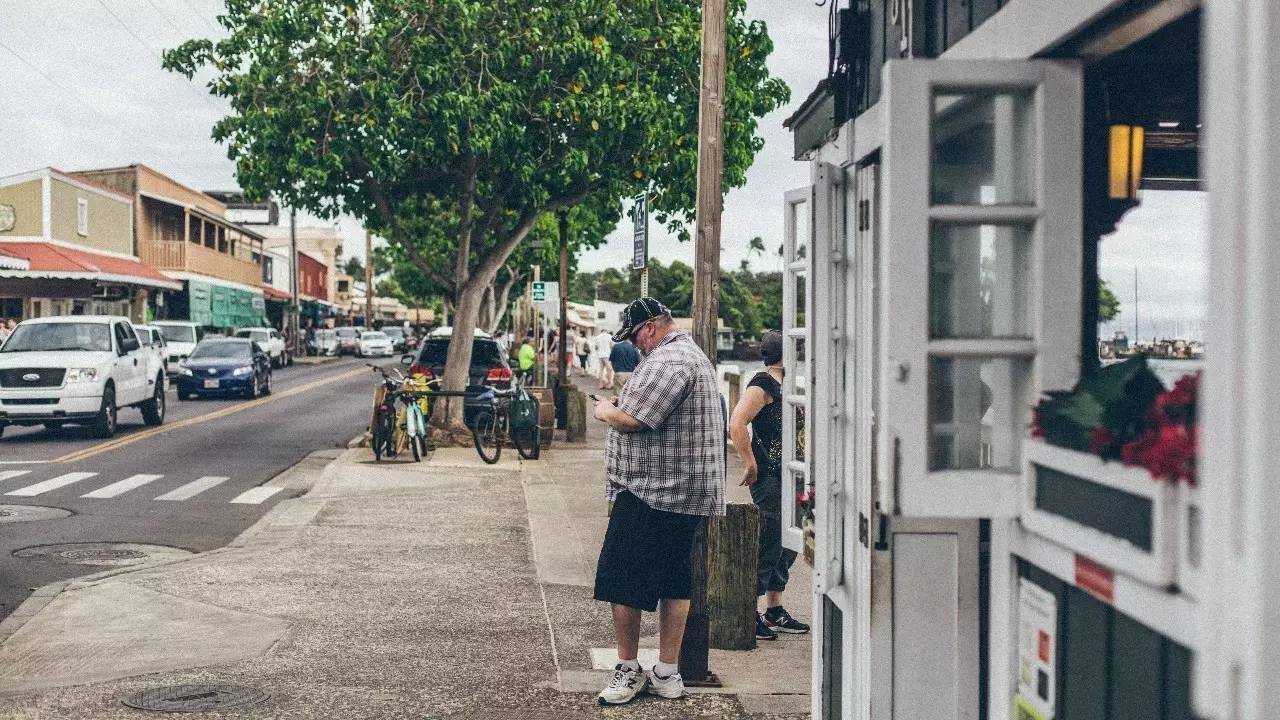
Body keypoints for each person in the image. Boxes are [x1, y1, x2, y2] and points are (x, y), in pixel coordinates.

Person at [591, 297, 726, 706]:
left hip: (654, 489)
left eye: (634, 337)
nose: (635, 346)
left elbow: (636, 419)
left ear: (650, 327)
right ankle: (667, 671)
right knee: (672, 578)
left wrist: (604, 410)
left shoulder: (671, 360)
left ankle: (629, 669)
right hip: (679, 489)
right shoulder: (686, 356)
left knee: (621, 577)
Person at [728, 330, 811, 641]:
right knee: (769, 540)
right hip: (770, 476)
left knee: (789, 542)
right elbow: (736, 422)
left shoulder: (785, 386)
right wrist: (750, 462)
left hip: (791, 474)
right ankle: (748, 610)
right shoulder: (762, 384)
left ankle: (774, 608)